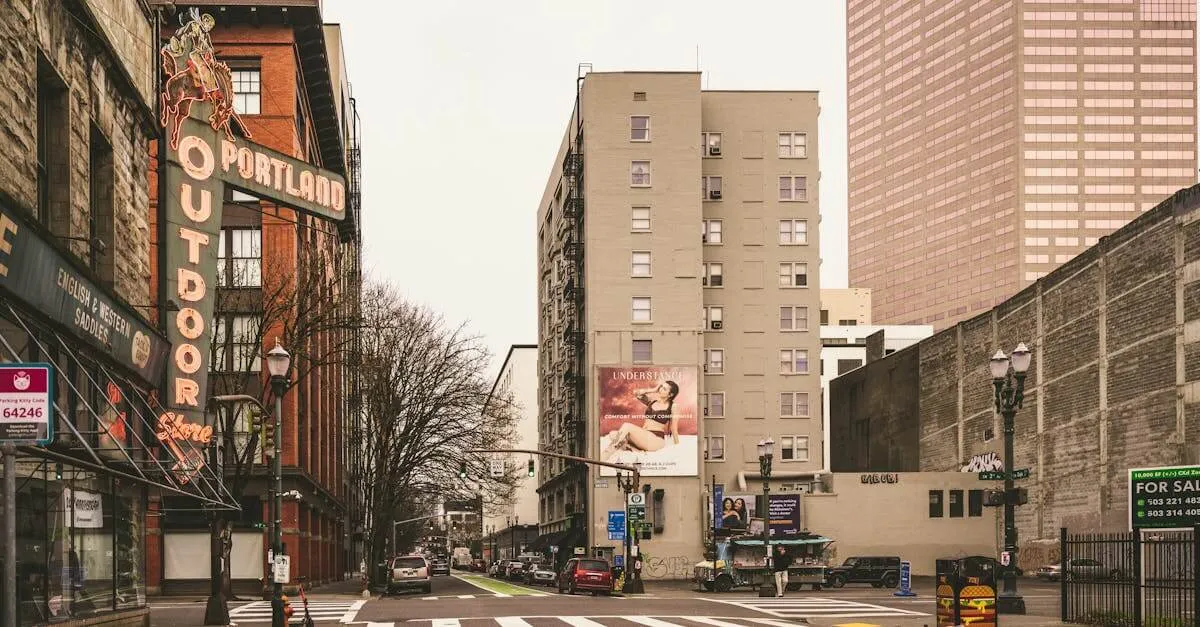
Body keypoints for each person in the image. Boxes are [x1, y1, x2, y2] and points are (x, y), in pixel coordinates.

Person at [603, 380, 680, 457]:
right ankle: (636, 450)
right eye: (661, 387)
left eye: (664, 389)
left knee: (626, 426)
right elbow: (636, 393)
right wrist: (653, 390)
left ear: (670, 394)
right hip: (644, 436)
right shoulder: (652, 402)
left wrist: (677, 448)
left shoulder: (673, 406)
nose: (660, 389)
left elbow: (674, 428)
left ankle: (606, 454)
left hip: (656, 439)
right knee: (613, 434)